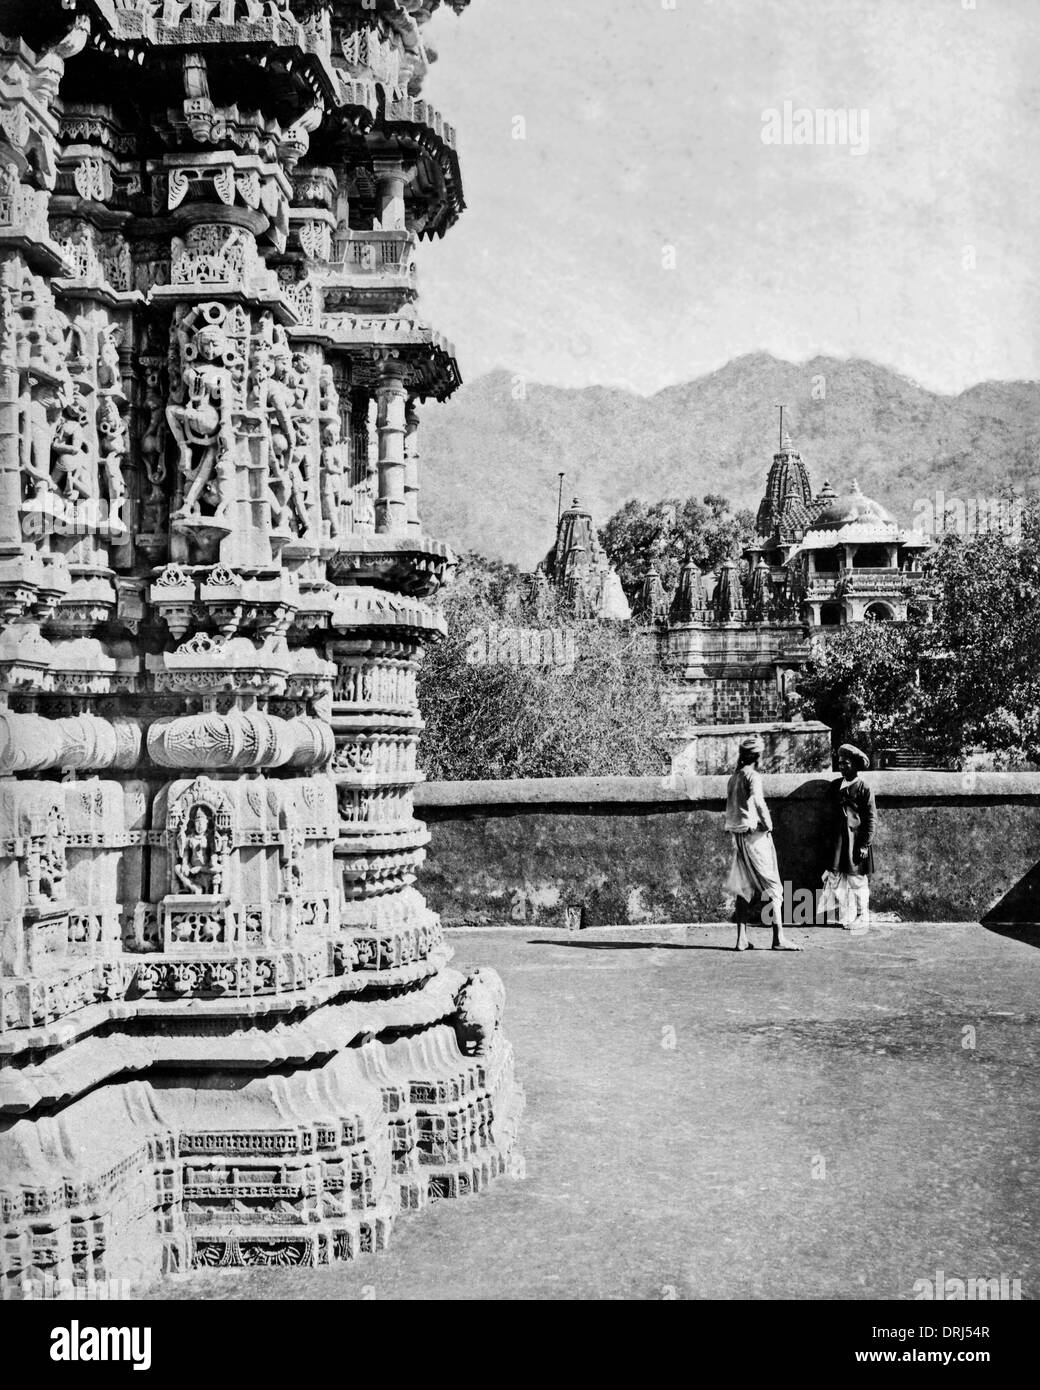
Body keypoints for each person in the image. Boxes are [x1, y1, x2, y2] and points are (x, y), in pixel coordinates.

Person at [724, 735, 802, 952]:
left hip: (738, 838)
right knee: (774, 886)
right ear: (757, 756)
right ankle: (779, 938)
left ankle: (741, 939)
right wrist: (768, 824)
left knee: (743, 887)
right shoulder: (752, 776)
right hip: (754, 837)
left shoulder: (733, 778)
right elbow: (758, 801)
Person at [820, 743, 876, 934]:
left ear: (854, 765)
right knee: (837, 878)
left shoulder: (863, 788)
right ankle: (847, 914)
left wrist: (864, 845)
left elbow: (870, 818)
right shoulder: (836, 786)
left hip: (855, 842)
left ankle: (862, 915)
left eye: (846, 763)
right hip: (838, 843)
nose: (842, 766)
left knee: (857, 879)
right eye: (840, 763)